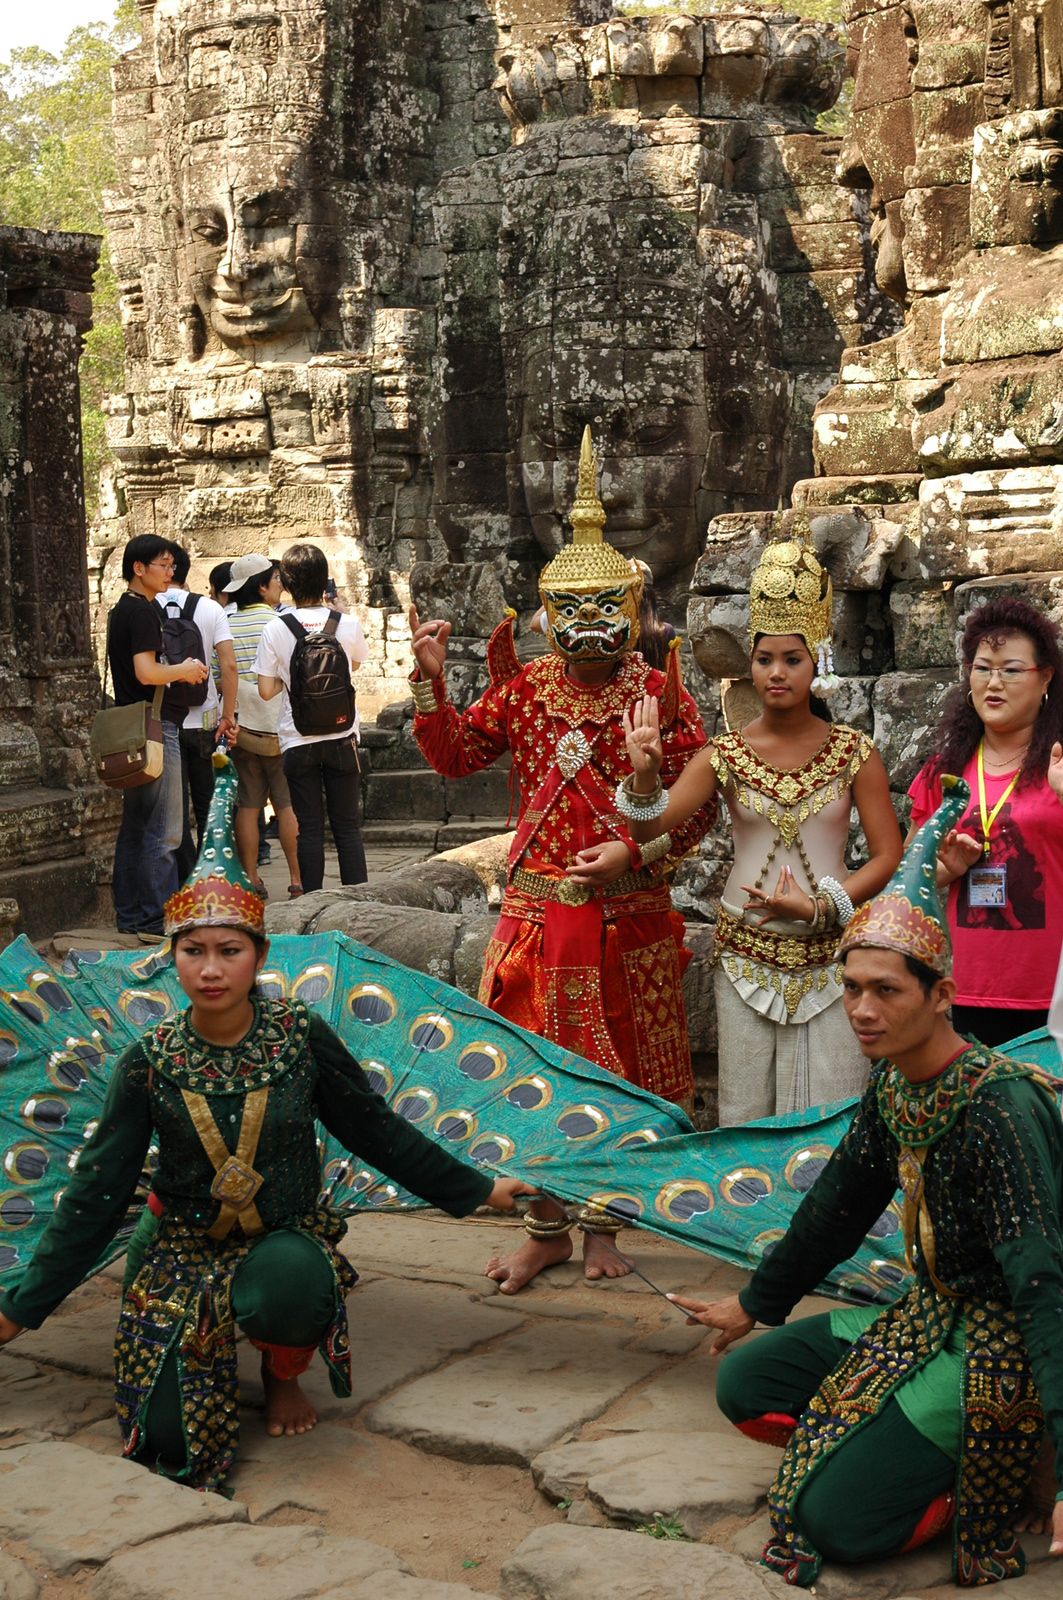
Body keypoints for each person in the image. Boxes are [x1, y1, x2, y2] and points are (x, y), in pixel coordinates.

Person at [0, 761, 534, 1488]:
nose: (211, 968)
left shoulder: (299, 1035)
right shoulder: (146, 1063)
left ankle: (285, 1371)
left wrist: (479, 1191)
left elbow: (377, 1131)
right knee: (170, 1445)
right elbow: (95, 1193)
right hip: (178, 1248)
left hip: (283, 1234)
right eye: (193, 951)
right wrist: (21, 1308)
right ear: (171, 958)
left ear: (258, 956)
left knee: (291, 1287)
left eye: (230, 950)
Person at [671, 782, 1063, 1586]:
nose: (860, 1009)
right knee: (745, 1382)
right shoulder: (891, 1086)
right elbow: (837, 1206)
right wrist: (752, 1304)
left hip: (1005, 1346)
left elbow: (1039, 1286)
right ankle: (897, 1448)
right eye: (851, 988)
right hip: (929, 1315)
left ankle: (1006, 1465)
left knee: (833, 1523)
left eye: (885, 990)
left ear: (940, 995)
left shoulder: (999, 1107)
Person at [409, 428, 716, 1291]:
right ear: (547, 615)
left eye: (603, 610)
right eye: (568, 613)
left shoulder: (660, 696)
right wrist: (435, 679)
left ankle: (605, 1220)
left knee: (625, 1069)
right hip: (537, 913)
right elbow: (456, 755)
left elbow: (697, 821)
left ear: (632, 609)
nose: (586, 629)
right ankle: (545, 1223)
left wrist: (636, 843)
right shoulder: (522, 689)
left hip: (630, 912)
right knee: (532, 1073)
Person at [624, 526, 902, 1123]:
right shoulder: (724, 754)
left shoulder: (855, 752)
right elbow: (650, 830)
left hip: (832, 955)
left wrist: (823, 907)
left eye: (793, 659)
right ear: (749, 663)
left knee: (835, 1115)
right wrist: (645, 776)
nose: (777, 672)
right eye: (764, 658)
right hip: (745, 954)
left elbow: (886, 856)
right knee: (745, 1116)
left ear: (818, 660)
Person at [908, 596, 1063, 1048]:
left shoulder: (1059, 763)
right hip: (963, 992)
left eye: (1011, 669)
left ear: (1045, 678)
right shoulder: (946, 767)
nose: (994, 683)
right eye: (982, 668)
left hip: (1053, 995)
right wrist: (947, 869)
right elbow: (908, 873)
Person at [106, 535, 209, 940]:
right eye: (163, 565)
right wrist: (184, 669)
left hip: (134, 726)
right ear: (139, 568)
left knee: (136, 825)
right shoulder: (144, 612)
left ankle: (131, 915)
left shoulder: (122, 609)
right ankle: (154, 919)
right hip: (154, 726)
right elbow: (147, 672)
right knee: (165, 830)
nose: (170, 572)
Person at [256, 543, 369, 892]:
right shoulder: (346, 623)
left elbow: (265, 690)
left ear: (286, 582)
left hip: (297, 738)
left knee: (309, 828)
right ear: (325, 579)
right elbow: (354, 666)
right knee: (347, 826)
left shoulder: (276, 628)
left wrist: (291, 679)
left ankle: (311, 906)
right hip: (341, 735)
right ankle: (360, 905)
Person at [224, 554, 303, 900]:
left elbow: (218, 676)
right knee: (286, 804)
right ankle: (297, 878)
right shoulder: (282, 623)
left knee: (249, 804)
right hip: (281, 728)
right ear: (260, 585)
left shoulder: (226, 625)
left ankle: (252, 877)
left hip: (243, 729)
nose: (280, 584)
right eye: (274, 578)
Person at [158, 542, 238, 880]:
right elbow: (229, 666)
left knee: (171, 811)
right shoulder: (209, 608)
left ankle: (183, 879)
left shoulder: (146, 606)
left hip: (165, 722)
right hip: (206, 721)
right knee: (208, 805)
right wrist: (227, 716)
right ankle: (214, 876)